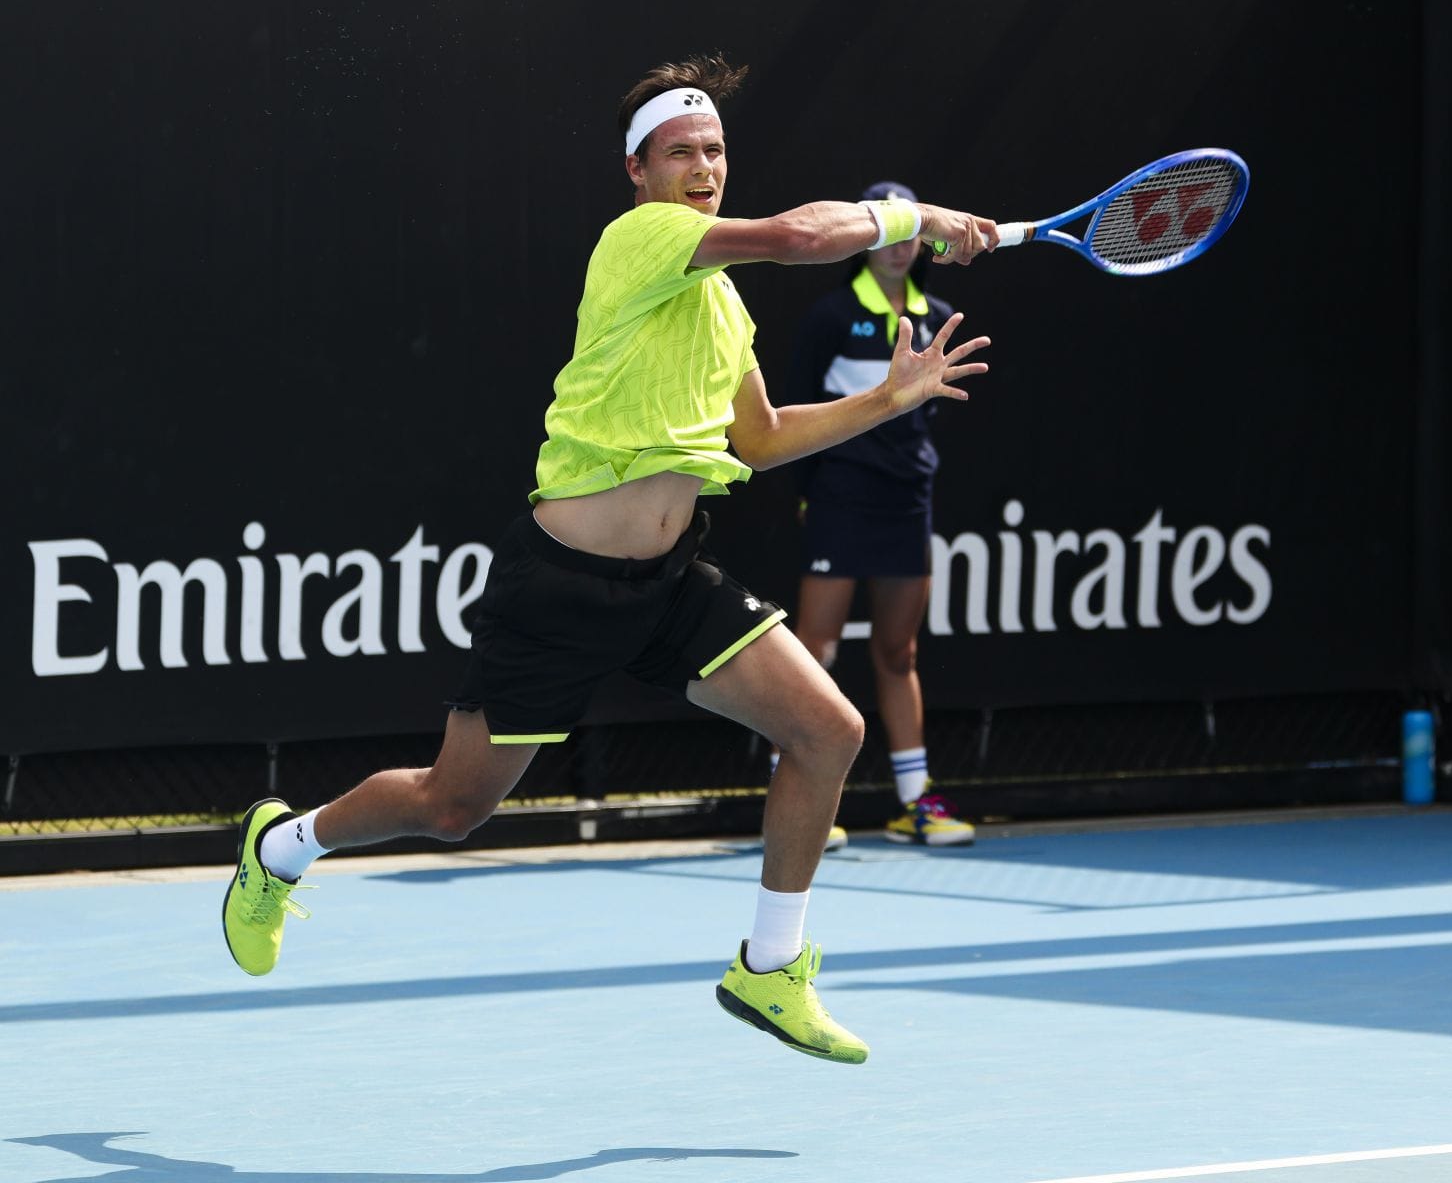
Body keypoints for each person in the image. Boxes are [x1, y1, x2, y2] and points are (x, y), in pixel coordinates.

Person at [219, 54, 997, 1066]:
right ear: (638, 170)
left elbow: (756, 438)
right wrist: (917, 215)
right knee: (451, 806)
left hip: (668, 583)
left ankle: (769, 965)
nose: (703, 166)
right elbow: (804, 235)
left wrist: (885, 400)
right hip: (559, 588)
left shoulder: (720, 304)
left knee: (827, 729)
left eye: (715, 149)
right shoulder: (644, 238)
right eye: (681, 151)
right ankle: (281, 847)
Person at [773, 182, 974, 848]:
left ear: (921, 241)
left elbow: (928, 417)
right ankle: (795, 790)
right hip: (838, 498)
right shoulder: (831, 317)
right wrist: (811, 492)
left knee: (898, 651)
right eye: (885, 232)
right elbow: (789, 413)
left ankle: (916, 802)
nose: (897, 246)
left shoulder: (938, 312)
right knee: (815, 649)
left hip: (906, 501)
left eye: (909, 232)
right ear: (866, 240)